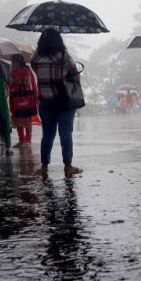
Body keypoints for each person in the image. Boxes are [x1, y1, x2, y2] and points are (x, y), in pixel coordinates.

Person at [31, 28, 82, 178]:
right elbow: (75, 76)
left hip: (45, 102)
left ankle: (44, 166)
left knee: (47, 134)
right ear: (59, 41)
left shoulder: (35, 58)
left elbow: (38, 74)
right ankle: (68, 166)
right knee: (65, 133)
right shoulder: (64, 57)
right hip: (63, 102)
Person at [8, 53, 39, 148]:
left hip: (25, 97)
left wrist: (13, 81)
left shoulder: (26, 70)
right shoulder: (13, 71)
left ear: (17, 61)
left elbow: (27, 82)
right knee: (18, 120)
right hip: (15, 97)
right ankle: (21, 140)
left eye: (13, 61)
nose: (12, 63)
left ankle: (28, 140)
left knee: (26, 119)